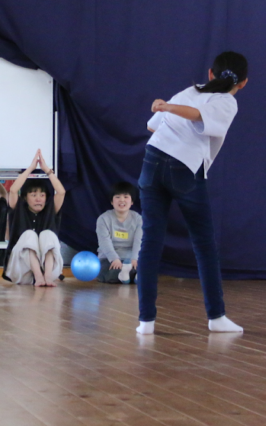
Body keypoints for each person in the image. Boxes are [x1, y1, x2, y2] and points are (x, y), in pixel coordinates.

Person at [136, 51, 249, 336]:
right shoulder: (228, 101)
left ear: (210, 73)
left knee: (151, 241)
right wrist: (169, 108)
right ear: (244, 83)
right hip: (182, 166)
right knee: (203, 243)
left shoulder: (190, 92)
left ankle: (145, 321)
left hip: (152, 159)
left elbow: (154, 125)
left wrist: (168, 107)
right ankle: (216, 316)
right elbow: (198, 116)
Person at [3, 150, 66, 287]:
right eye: (33, 195)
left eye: (42, 195)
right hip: (21, 271)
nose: (39, 199)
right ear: (25, 198)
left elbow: (61, 192)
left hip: (49, 270)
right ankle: (38, 276)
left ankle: (47, 276)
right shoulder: (18, 208)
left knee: (47, 234)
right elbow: (13, 190)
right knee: (29, 235)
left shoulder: (50, 209)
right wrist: (31, 168)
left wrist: (47, 170)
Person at [96, 181, 142, 284]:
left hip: (130, 258)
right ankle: (133, 275)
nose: (122, 200)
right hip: (108, 258)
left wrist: (135, 258)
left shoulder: (138, 219)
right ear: (112, 201)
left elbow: (138, 241)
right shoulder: (103, 219)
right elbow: (104, 242)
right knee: (108, 272)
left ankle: (129, 273)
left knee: (145, 264)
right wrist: (114, 259)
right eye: (117, 197)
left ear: (132, 201)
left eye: (126, 197)